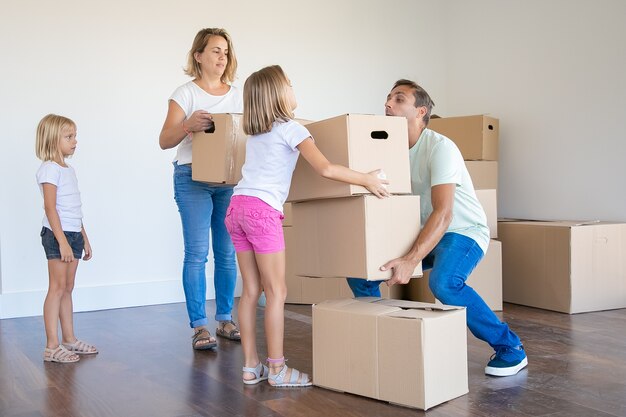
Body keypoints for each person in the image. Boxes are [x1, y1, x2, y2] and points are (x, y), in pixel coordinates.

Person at [347, 79, 528, 377]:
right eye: (388, 98)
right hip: (423, 231)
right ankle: (379, 339)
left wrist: (410, 259)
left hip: (463, 231)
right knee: (361, 269)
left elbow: (444, 213)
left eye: (399, 99)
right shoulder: (386, 149)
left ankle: (510, 347)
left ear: (420, 112)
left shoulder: (441, 148)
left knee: (444, 283)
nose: (388, 104)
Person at [225, 65, 389, 387]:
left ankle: (250, 367)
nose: (293, 87)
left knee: (250, 292)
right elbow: (325, 169)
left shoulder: (258, 133)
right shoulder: (291, 128)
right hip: (262, 212)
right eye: (289, 84)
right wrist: (366, 179)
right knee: (277, 291)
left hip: (237, 207)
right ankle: (277, 369)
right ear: (278, 94)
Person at [159, 28, 243, 350]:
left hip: (228, 182)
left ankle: (225, 319)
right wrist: (187, 126)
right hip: (192, 179)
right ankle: (198, 327)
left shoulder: (237, 95)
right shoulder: (185, 94)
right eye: (215, 51)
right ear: (198, 56)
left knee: (226, 254)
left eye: (225, 52)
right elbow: (164, 141)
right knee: (197, 254)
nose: (222, 58)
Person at [35, 114, 98, 363]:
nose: (75, 141)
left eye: (75, 136)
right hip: (56, 235)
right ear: (52, 139)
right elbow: (50, 208)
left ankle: (69, 339)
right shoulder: (49, 169)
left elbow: (73, 208)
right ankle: (51, 346)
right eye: (69, 137)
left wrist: (84, 238)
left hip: (73, 234)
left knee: (68, 288)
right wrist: (61, 241)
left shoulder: (68, 169)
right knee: (57, 288)